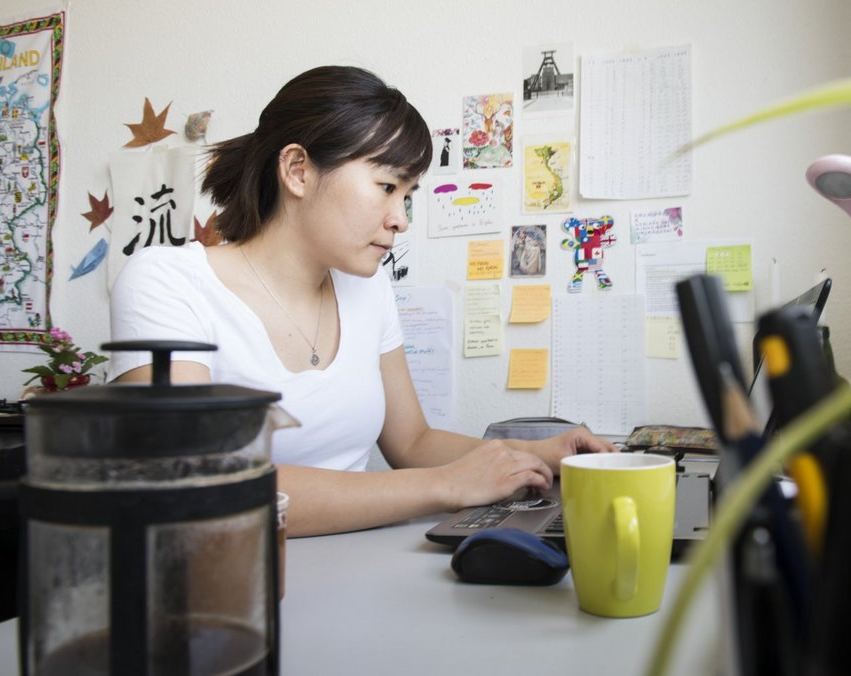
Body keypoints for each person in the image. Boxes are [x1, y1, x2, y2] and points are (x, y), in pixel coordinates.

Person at [108, 66, 615, 537]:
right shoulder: (167, 282)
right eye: (387, 186)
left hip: (359, 571)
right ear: (298, 171)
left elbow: (411, 442)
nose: (401, 218)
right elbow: (200, 483)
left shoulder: (367, 287)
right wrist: (446, 486)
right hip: (230, 588)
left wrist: (533, 454)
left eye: (408, 195)